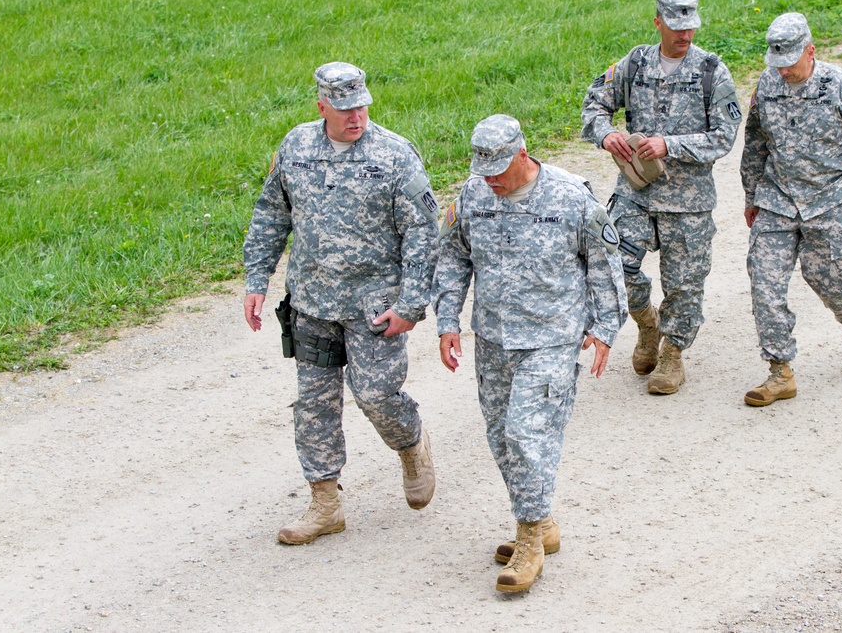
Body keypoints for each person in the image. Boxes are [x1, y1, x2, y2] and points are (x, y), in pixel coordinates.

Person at [242, 62, 439, 544]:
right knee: (313, 405)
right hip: (312, 303)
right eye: (345, 108)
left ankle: (410, 443)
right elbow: (272, 214)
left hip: (375, 305)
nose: (357, 117)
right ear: (322, 106)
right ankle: (325, 503)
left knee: (376, 396)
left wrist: (411, 305)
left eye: (362, 105)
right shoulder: (296, 146)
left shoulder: (395, 154)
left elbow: (422, 233)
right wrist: (256, 277)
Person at [433, 115, 627, 593]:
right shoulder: (474, 196)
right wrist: (446, 320)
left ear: (523, 154)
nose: (493, 180)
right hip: (494, 338)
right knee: (501, 437)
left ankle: (529, 541)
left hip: (552, 338)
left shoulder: (569, 197)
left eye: (500, 169)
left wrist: (605, 328)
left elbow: (605, 262)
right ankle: (541, 520)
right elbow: (454, 257)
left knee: (526, 432)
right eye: (485, 171)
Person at [581, 0, 742, 395]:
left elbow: (725, 136)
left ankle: (672, 352)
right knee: (615, 262)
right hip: (635, 193)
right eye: (675, 26)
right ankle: (647, 324)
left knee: (685, 285)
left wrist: (671, 144)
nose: (684, 35)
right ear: (658, 22)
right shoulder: (634, 65)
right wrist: (606, 135)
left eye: (690, 26)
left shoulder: (711, 71)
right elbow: (594, 103)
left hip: (688, 204)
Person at [740, 13, 842, 407]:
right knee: (764, 281)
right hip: (777, 199)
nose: (784, 70)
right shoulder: (767, 85)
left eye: (791, 61)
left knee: (831, 281)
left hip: (829, 201)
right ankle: (780, 371)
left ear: (811, 51)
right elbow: (754, 143)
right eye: (777, 62)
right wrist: (752, 195)